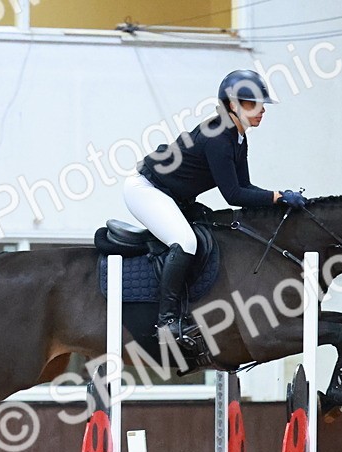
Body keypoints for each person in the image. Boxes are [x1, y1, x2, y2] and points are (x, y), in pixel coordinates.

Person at [124, 69, 307, 348]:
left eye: (261, 104)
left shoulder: (238, 137)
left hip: (172, 194)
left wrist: (278, 196)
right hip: (146, 190)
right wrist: (277, 197)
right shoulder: (219, 138)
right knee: (185, 241)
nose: (261, 110)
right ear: (233, 105)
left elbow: (245, 186)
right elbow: (233, 195)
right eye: (252, 104)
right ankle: (167, 322)